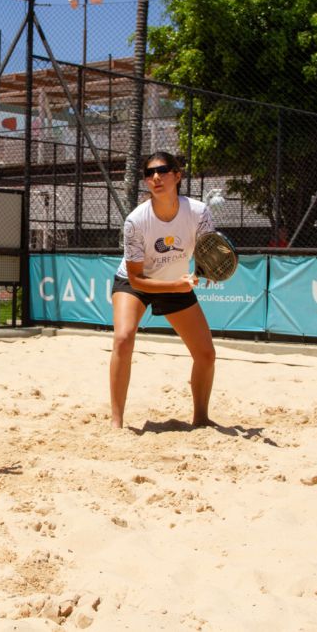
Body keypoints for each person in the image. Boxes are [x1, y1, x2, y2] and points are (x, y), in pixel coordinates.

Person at [109, 151, 217, 429]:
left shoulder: (199, 212)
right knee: (123, 338)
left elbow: (209, 252)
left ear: (177, 175)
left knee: (206, 354)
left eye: (163, 170)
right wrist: (177, 285)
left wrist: (209, 270)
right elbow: (135, 280)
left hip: (174, 281)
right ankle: (116, 423)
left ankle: (201, 420)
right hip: (136, 283)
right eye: (149, 173)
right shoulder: (135, 221)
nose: (156, 177)